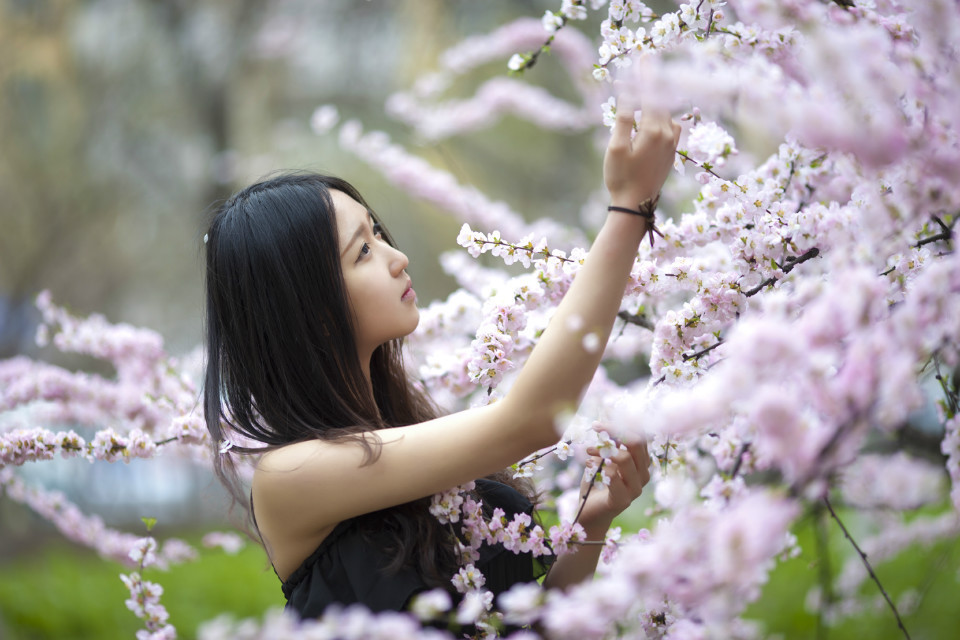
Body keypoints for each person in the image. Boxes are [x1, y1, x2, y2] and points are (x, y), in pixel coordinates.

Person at [202, 99, 681, 625]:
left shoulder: (412, 431)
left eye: (377, 232)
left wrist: (591, 524)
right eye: (361, 251)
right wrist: (628, 212)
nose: (395, 256)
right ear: (308, 310)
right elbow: (532, 419)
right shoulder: (289, 476)